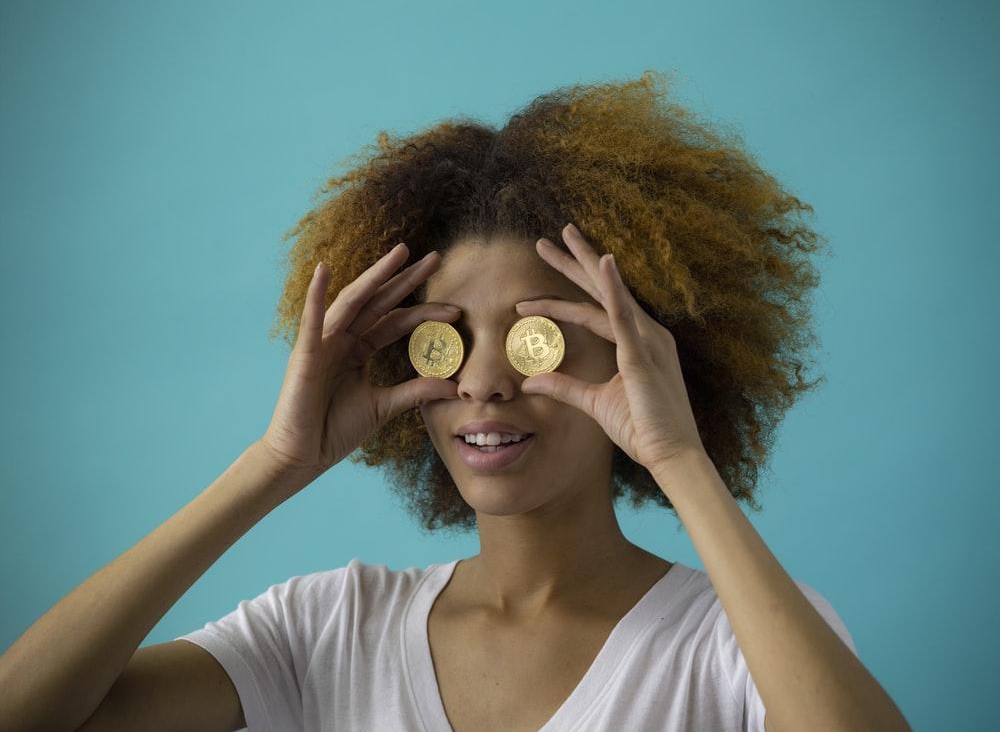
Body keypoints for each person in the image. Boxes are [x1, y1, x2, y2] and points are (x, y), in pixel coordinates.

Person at [0, 71, 911, 731]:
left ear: (640, 356)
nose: (482, 380)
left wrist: (682, 461)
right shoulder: (326, 629)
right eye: (447, 337)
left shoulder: (741, 641)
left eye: (534, 335)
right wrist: (271, 466)